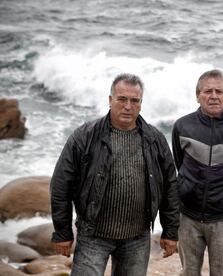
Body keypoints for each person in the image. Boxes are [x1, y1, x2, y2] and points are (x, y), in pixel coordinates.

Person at [50, 73, 179, 276]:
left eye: (134, 100)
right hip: (93, 236)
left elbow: (171, 185)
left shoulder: (155, 139)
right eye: (122, 99)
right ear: (110, 100)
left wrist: (171, 231)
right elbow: (61, 185)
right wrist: (62, 232)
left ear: (141, 103)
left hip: (138, 237)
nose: (128, 106)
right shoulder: (84, 136)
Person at [172, 69, 223, 276]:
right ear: (198, 96)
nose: (213, 96)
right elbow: (179, 162)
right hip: (189, 216)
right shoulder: (183, 126)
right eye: (207, 91)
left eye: (219, 91)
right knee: (189, 272)